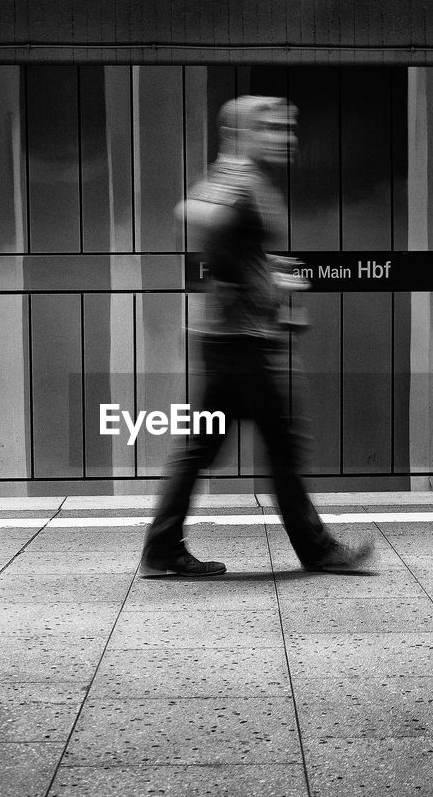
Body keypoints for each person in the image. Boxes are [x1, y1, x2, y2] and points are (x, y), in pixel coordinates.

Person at [139, 95, 374, 577]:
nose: (285, 137)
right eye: (272, 127)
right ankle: (319, 549)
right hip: (248, 345)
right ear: (240, 131)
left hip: (229, 339)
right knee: (284, 445)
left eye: (288, 127)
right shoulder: (238, 178)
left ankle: (162, 547)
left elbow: (226, 242)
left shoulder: (242, 179)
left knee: (201, 447)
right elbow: (193, 212)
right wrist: (253, 277)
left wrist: (265, 274)